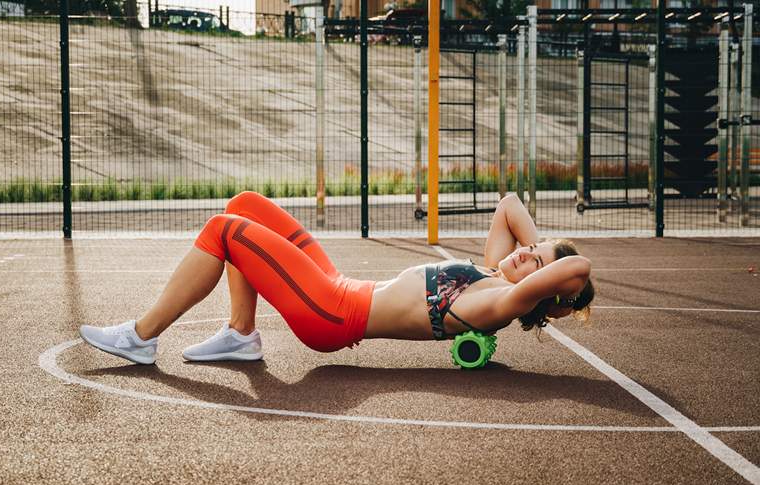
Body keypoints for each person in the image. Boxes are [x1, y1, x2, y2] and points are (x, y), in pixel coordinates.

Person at [80, 192, 594, 365]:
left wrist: (549, 280)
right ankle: (240, 335)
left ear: (543, 292)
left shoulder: (501, 302)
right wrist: (538, 250)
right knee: (245, 206)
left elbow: (580, 269)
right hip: (338, 285)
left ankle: (140, 338)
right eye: (530, 246)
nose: (524, 251)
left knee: (223, 230)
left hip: (331, 313)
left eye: (534, 259)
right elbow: (509, 206)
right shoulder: (494, 269)